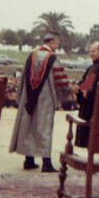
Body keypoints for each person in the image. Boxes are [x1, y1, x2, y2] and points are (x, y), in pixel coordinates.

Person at [9, 31, 62, 173]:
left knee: (28, 126)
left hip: (29, 97)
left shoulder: (31, 56)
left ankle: (29, 160)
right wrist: (64, 95)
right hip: (45, 99)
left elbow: (23, 78)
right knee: (44, 128)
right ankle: (46, 163)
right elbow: (60, 81)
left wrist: (21, 98)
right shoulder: (52, 58)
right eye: (57, 43)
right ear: (50, 42)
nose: (58, 45)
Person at [75, 42, 99, 147]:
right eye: (90, 51)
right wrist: (79, 88)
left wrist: (88, 92)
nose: (91, 54)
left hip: (93, 104)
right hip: (85, 103)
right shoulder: (92, 67)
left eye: (93, 51)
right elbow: (85, 81)